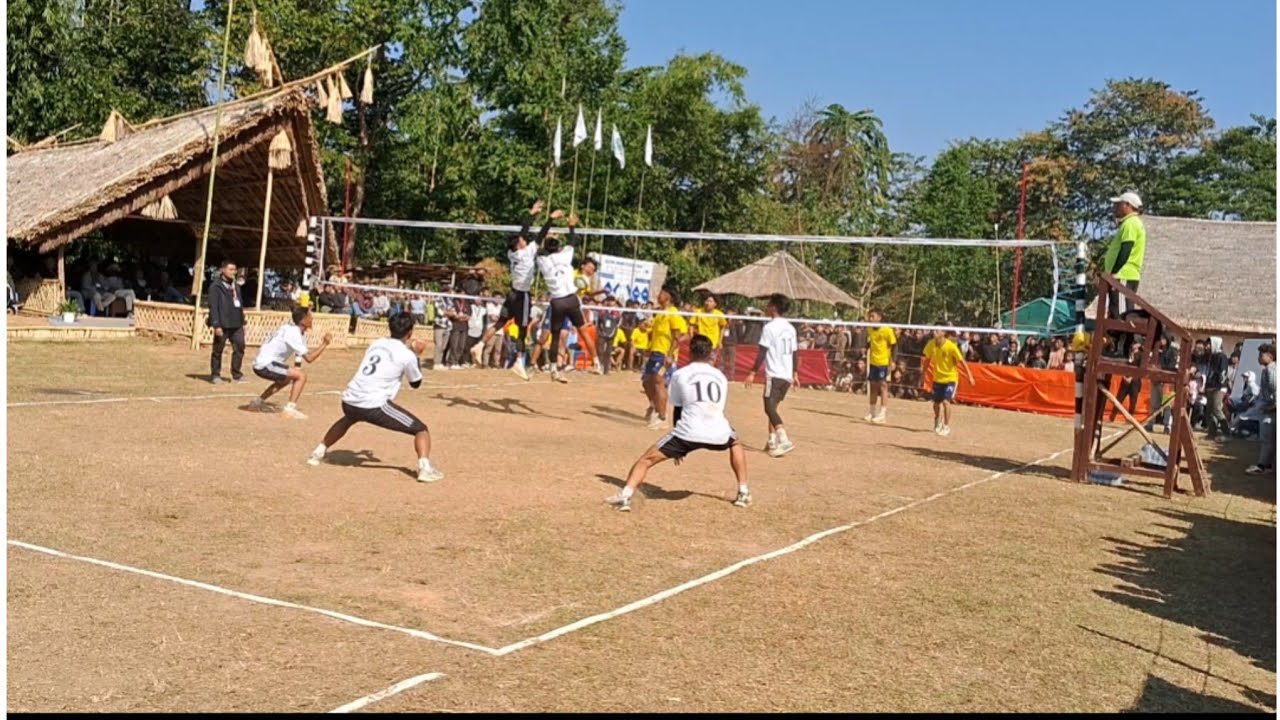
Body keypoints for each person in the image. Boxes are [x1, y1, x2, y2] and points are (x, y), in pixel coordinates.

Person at [605, 334, 750, 513]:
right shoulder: (720, 376)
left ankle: (626, 495)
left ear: (690, 352)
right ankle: (743, 492)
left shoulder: (681, 374)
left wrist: (677, 445)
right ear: (711, 353)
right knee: (736, 443)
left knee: (645, 460)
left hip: (687, 433)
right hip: (718, 431)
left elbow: (678, 409)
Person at [307, 312, 443, 483]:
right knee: (421, 430)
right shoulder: (406, 355)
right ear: (410, 333)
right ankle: (425, 469)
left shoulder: (377, 343)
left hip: (349, 400)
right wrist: (416, 354)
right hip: (373, 404)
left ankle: (318, 451)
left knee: (349, 418)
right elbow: (415, 383)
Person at [536, 212, 599, 383]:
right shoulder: (565, 255)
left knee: (555, 336)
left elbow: (539, 240)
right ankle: (596, 362)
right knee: (582, 330)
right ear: (559, 248)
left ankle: (554, 369)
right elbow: (571, 241)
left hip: (557, 301)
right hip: (571, 299)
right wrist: (571, 225)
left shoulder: (541, 260)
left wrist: (550, 221)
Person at [251, 306, 332, 419]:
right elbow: (309, 358)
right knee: (301, 376)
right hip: (265, 364)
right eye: (310, 316)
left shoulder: (291, 329)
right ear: (303, 320)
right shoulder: (294, 332)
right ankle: (289, 409)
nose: (312, 318)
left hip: (263, 363)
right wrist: (325, 344)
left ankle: (257, 402)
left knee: (286, 379)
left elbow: (301, 352)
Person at [745, 293, 799, 457]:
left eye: (768, 305)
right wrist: (795, 373)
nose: (766, 307)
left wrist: (752, 372)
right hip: (786, 375)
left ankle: (784, 439)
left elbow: (762, 352)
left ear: (774, 308)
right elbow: (795, 353)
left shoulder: (769, 327)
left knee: (768, 407)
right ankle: (772, 441)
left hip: (775, 373)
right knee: (773, 408)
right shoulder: (790, 328)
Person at [1102, 191, 1146, 355]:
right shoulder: (1131, 223)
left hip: (1124, 274)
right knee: (1117, 311)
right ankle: (1120, 347)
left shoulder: (1130, 223)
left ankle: (1122, 349)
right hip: (1124, 274)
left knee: (1122, 314)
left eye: (1119, 204)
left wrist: (1114, 272)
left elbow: (1126, 249)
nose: (1116, 207)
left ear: (1128, 205)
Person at [641, 287, 690, 430]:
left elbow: (678, 336)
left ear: (669, 296)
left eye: (662, 293)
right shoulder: (660, 313)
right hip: (655, 352)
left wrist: (670, 354)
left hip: (663, 354)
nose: (658, 295)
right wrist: (649, 348)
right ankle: (654, 405)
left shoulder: (673, 313)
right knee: (646, 382)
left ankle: (662, 417)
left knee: (659, 382)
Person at [922, 327, 976, 437]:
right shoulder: (931, 344)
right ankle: (937, 419)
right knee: (936, 403)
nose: (934, 332)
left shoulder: (951, 346)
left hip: (951, 378)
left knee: (946, 401)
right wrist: (923, 373)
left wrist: (970, 376)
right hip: (938, 378)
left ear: (943, 333)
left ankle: (946, 426)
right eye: (934, 330)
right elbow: (927, 360)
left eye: (937, 331)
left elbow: (962, 361)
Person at [208, 259, 246, 384]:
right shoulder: (216, 287)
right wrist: (216, 325)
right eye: (230, 269)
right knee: (218, 350)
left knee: (240, 347)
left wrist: (243, 322)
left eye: (234, 270)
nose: (233, 272)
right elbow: (213, 306)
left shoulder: (236, 286)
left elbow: (240, 305)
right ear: (223, 270)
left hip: (236, 323)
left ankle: (236, 374)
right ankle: (215, 375)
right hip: (222, 323)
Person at [1245, 343, 1275, 476]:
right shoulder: (1268, 370)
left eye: (1261, 355)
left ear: (1270, 356)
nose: (1259, 357)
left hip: (1270, 409)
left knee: (1267, 439)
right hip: (1268, 408)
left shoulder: (1271, 371)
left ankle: (1263, 465)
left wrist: (1272, 406)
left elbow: (1275, 390)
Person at [864, 310, 896, 424]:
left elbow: (894, 345)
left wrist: (893, 361)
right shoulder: (869, 329)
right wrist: (865, 348)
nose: (870, 319)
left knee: (883, 386)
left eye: (872, 316)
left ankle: (882, 414)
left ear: (879, 318)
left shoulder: (887, 330)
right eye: (869, 316)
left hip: (884, 362)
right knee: (873, 386)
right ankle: (872, 412)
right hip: (873, 361)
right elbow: (870, 341)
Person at [1203, 336, 1231, 440]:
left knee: (1217, 409)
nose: (1206, 347)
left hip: (1218, 387)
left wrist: (1219, 385)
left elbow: (1223, 373)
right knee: (1210, 411)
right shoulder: (1211, 357)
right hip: (1211, 386)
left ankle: (1227, 433)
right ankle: (1211, 433)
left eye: (1208, 344)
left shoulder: (1222, 357)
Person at [693, 294, 729, 367]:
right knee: (698, 363)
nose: (707, 303)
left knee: (710, 363)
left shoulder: (719, 314)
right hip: (700, 343)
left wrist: (720, 341)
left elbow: (723, 327)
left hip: (713, 344)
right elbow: (691, 325)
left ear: (715, 304)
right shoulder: (698, 312)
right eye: (706, 300)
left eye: (710, 301)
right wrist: (692, 338)